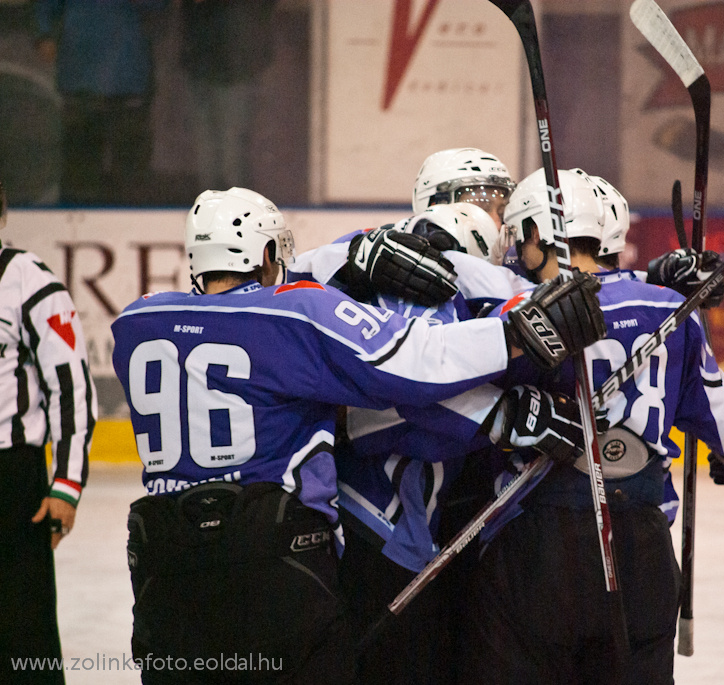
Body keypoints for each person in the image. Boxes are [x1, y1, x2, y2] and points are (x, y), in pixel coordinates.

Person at [110, 187, 604, 684]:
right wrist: (517, 334)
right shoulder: (294, 313)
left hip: (162, 564)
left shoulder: (137, 322)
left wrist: (355, 254)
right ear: (264, 254)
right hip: (271, 561)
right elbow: (411, 359)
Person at [456, 168, 724, 685]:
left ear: (535, 233)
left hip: (540, 544)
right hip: (642, 546)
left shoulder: (521, 314)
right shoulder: (673, 310)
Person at [0, 177, 97, 684]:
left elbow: (72, 387)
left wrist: (67, 484)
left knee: (22, 638)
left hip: (10, 482)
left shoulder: (27, 280)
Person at [34, 0, 168, 206]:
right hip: (80, 76)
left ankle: (131, 227)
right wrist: (44, 34)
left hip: (128, 76)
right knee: (79, 174)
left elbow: (159, 6)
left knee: (130, 176)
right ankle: (76, 230)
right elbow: (44, 7)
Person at [179, 0, 277, 190]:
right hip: (205, 63)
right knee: (208, 153)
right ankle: (215, 212)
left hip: (232, 66)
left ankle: (237, 213)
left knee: (231, 155)